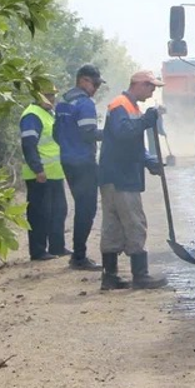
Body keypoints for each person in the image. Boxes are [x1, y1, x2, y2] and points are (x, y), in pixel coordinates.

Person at [96, 70, 168, 290]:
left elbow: (132, 145)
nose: (153, 91)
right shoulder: (121, 105)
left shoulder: (129, 106)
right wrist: (147, 121)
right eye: (151, 87)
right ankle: (140, 275)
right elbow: (124, 134)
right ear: (138, 84)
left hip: (112, 175)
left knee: (112, 225)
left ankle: (110, 277)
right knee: (134, 223)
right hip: (122, 177)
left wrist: (148, 161)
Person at [55, 64, 105, 270]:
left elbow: (55, 134)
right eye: (95, 84)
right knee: (87, 209)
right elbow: (88, 133)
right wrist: (110, 134)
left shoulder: (63, 103)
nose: (96, 89)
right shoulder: (85, 104)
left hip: (67, 161)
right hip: (83, 162)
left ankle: (78, 254)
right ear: (84, 81)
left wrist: (68, 147)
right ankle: (79, 257)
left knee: (81, 207)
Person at [19, 84, 68, 260]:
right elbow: (29, 144)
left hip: (55, 173)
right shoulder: (32, 115)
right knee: (40, 214)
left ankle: (57, 247)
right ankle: (38, 251)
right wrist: (37, 169)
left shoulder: (48, 114)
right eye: (47, 95)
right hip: (39, 174)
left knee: (58, 211)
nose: (51, 99)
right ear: (37, 96)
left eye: (53, 96)